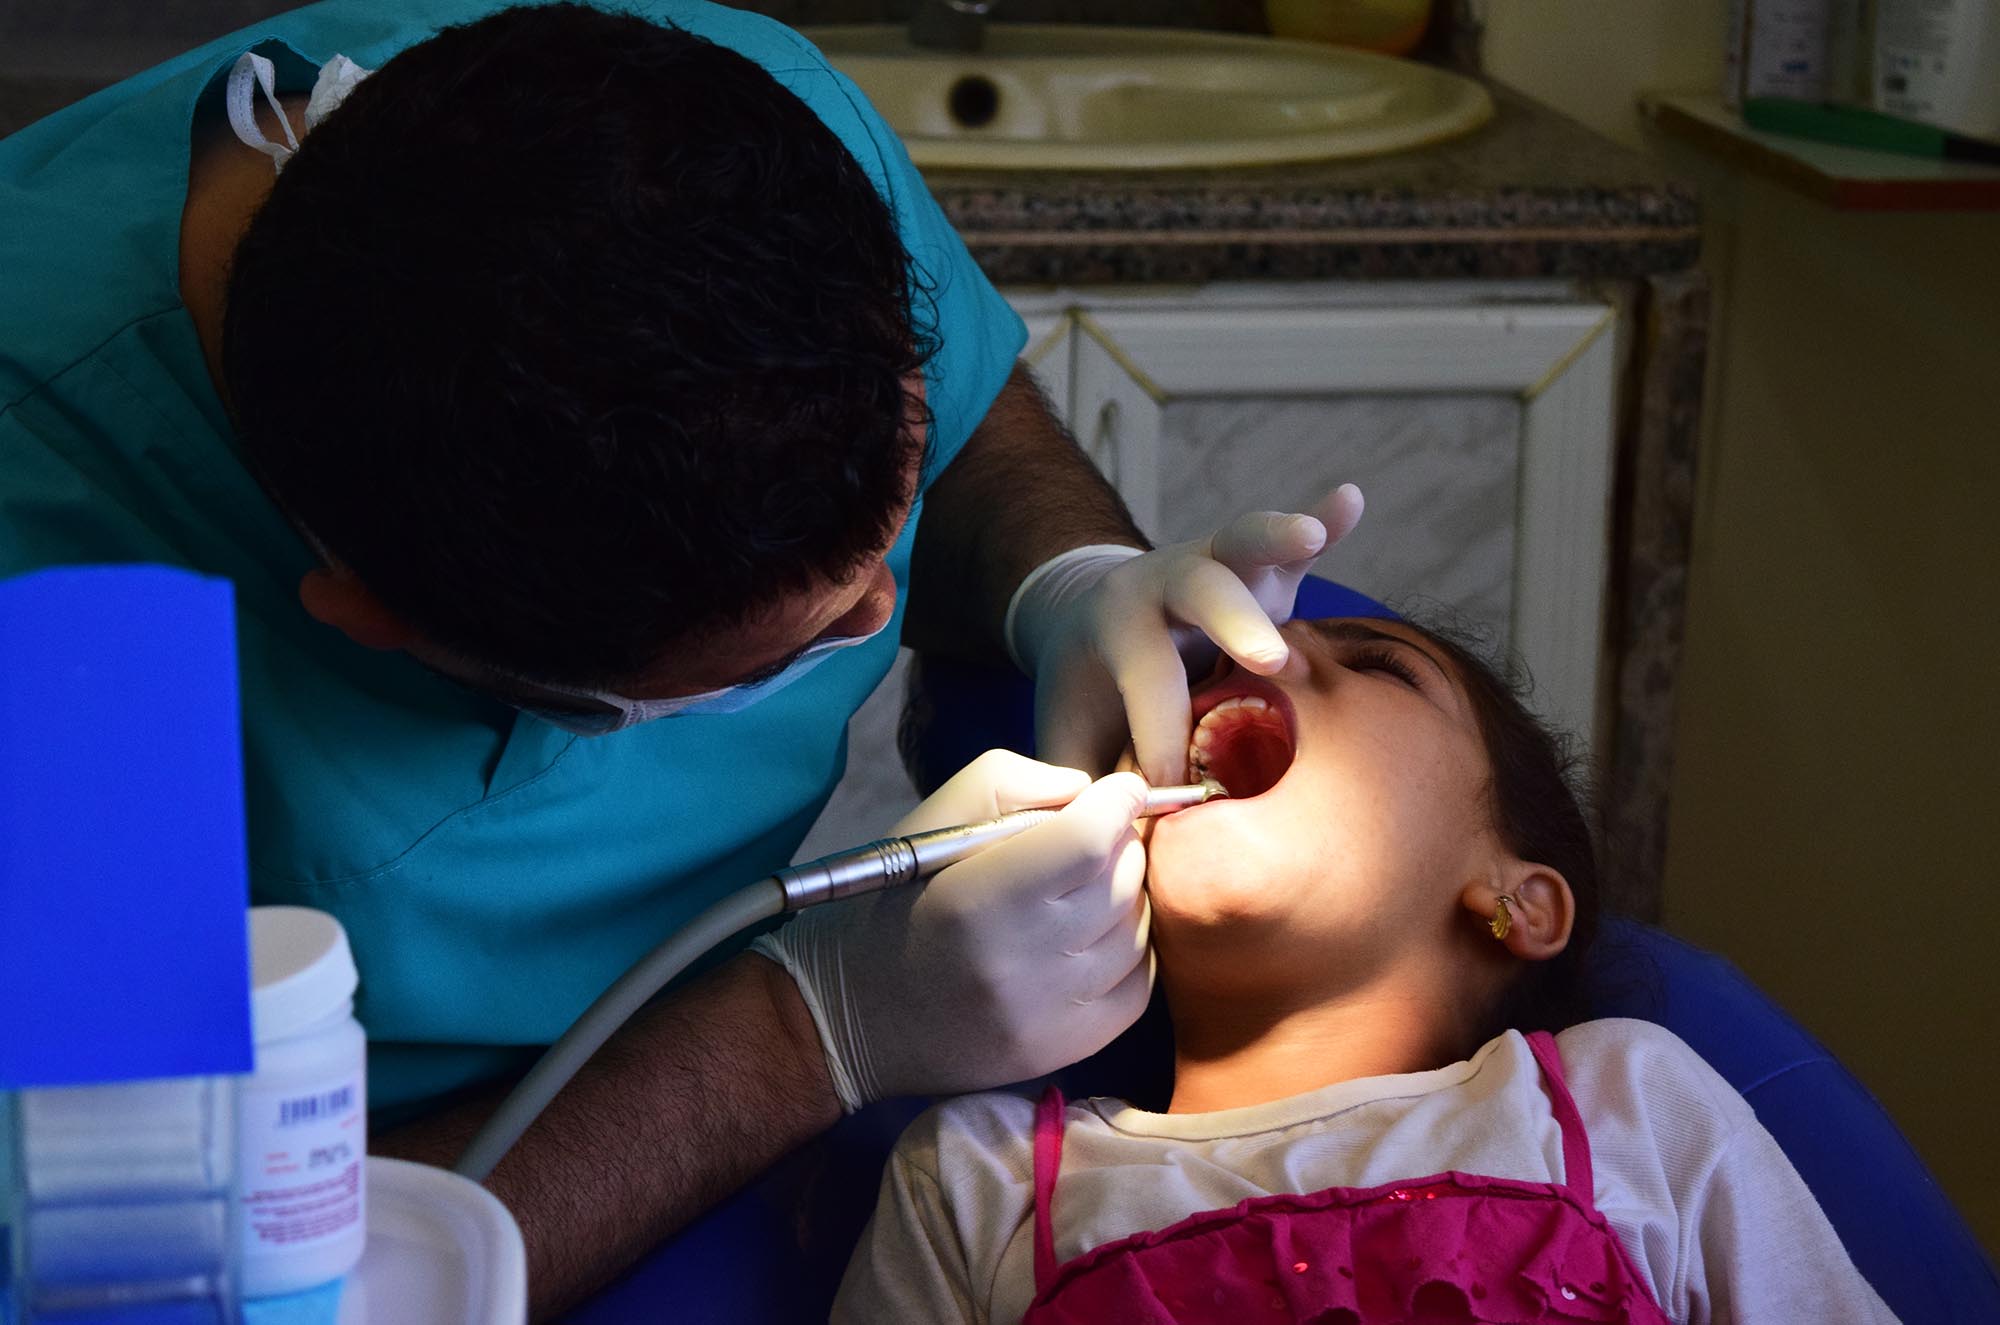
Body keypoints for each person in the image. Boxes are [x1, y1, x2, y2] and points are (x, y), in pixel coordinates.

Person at [0, 0, 1366, 1310]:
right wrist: (806, 1030)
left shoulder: (702, 121)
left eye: (885, 522)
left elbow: (963, 419)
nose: (878, 616)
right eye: (792, 638)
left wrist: (1064, 574)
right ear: (374, 621)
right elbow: (193, 1279)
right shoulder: (58, 625)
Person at [835, 615, 1899, 1323]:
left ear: (1515, 900)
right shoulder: (978, 1180)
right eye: (1204, 667)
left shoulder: (1619, 1099)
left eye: (1380, 668)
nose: (1257, 652)